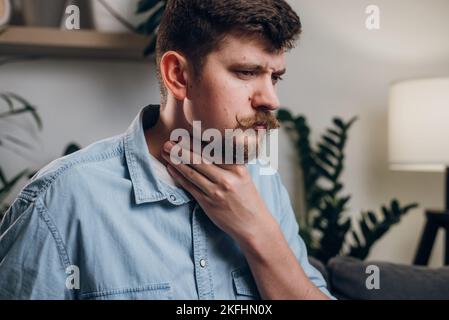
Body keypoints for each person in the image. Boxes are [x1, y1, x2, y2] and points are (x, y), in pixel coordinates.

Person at [0, 0, 334, 300]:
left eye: (275, 77)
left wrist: (259, 232)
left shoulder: (266, 185)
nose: (270, 99)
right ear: (178, 76)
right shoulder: (62, 200)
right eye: (247, 72)